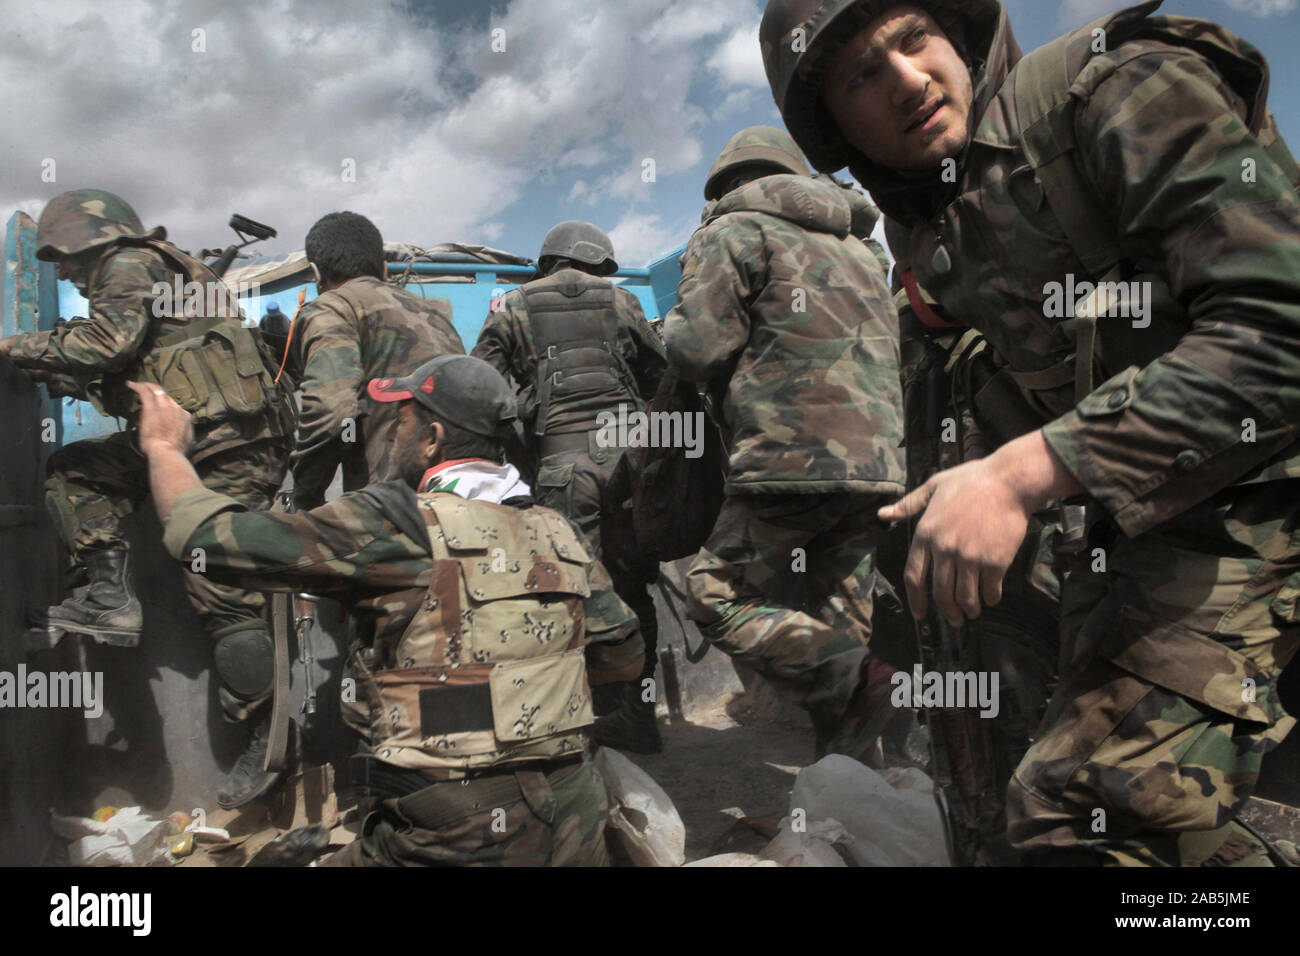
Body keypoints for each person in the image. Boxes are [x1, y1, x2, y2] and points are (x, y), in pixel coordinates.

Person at [761, 0, 1300, 865]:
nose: (907, 79)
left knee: (1083, 814)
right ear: (834, 128)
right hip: (1148, 515)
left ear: (958, 35)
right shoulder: (929, 221)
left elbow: (1281, 325)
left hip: (1262, 488)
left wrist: (1026, 473)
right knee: (1053, 785)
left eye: (914, 40)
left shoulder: (1108, 90)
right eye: (864, 74)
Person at [131, 354, 643, 865]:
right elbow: (622, 658)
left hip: (457, 832)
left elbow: (201, 538)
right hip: (574, 815)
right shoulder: (557, 529)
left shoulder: (394, 522)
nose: (390, 436)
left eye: (399, 421)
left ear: (432, 438)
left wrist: (163, 447)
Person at [0, 188, 296, 809]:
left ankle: (268, 739)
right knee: (77, 471)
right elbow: (123, 360)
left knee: (225, 595)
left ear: (92, 242)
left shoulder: (128, 264)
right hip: (186, 440)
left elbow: (104, 346)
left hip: (226, 450)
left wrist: (10, 348)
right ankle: (111, 596)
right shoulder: (162, 269)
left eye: (68, 260)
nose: (70, 276)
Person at [662, 125, 907, 762]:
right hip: (877, 466)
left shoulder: (734, 231)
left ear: (729, 186)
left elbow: (694, 349)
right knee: (839, 616)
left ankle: (858, 680)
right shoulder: (859, 247)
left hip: (789, 460)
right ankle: (852, 791)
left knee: (716, 594)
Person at [472, 221, 667, 753]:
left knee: (568, 597)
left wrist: (521, 447)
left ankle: (577, 726)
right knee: (631, 591)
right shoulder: (623, 301)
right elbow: (662, 378)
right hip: (629, 468)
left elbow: (478, 390)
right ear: (597, 262)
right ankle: (638, 715)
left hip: (560, 473)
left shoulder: (511, 307)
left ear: (548, 260)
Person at [286, 211, 464, 510]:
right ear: (383, 268)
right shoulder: (437, 316)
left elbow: (331, 409)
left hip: (390, 505)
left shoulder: (333, 308)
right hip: (457, 497)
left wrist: (306, 497)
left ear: (317, 274)